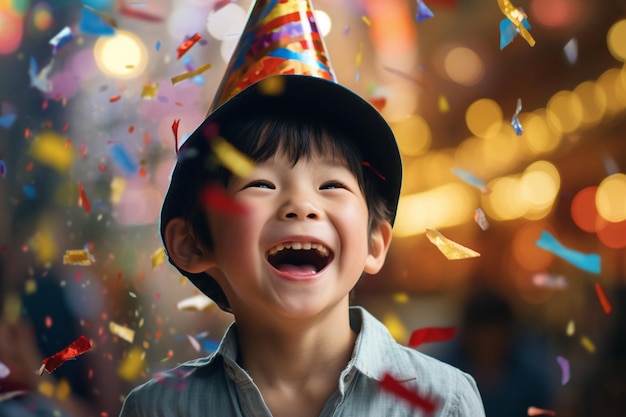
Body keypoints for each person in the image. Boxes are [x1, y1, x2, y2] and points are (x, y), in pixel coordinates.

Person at [119, 1, 485, 416]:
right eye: (261, 183)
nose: (301, 205)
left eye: (331, 184)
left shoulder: (444, 402)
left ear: (375, 241)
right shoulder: (157, 410)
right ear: (193, 242)